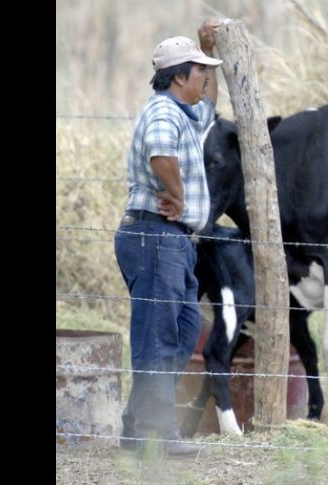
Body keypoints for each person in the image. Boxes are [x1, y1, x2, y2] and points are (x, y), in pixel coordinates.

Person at [115, 20, 223, 458]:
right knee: (159, 338)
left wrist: (205, 48)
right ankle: (155, 438)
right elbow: (161, 156)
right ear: (179, 77)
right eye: (200, 72)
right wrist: (177, 195)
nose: (206, 79)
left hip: (168, 240)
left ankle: (137, 429)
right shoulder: (163, 112)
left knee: (181, 331)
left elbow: (209, 110)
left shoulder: (181, 111)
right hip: (156, 236)